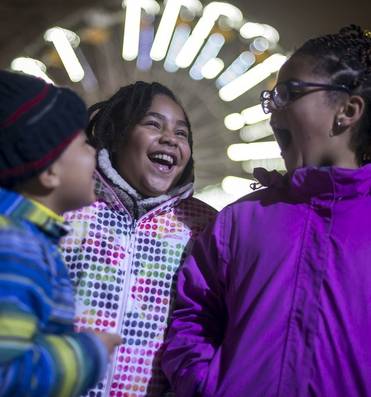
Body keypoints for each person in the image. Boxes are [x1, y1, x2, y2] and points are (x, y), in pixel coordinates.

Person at [161, 25, 371, 397]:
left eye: (289, 92)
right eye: (270, 97)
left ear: (348, 110)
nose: (274, 107)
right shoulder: (238, 221)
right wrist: (205, 385)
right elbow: (193, 317)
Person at [59, 81, 216, 396]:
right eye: (153, 124)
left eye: (182, 133)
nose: (170, 138)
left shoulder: (206, 227)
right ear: (118, 135)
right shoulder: (68, 207)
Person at [0, 70, 122, 397]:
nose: (96, 153)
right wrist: (89, 352)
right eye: (84, 144)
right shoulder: (16, 247)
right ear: (50, 171)